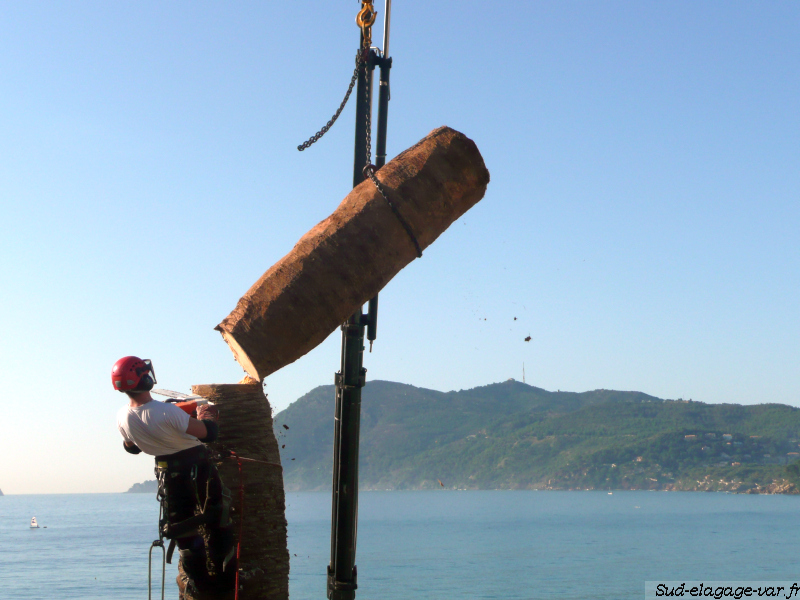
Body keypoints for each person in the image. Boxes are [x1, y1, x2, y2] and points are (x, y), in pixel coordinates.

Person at [113, 356, 235, 597]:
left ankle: (200, 588)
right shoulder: (168, 412)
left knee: (185, 535)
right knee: (218, 525)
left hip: (168, 477)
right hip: (198, 472)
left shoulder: (122, 417)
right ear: (145, 378)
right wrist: (206, 414)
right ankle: (225, 586)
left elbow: (132, 447)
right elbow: (208, 434)